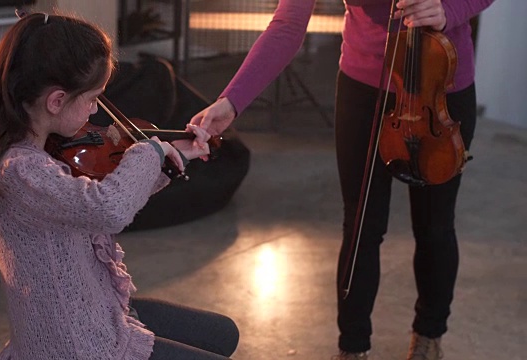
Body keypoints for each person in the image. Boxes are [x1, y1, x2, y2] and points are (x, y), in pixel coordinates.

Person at [189, 0, 495, 359]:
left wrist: (450, 10)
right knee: (361, 225)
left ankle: (429, 334)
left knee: (435, 224)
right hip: (365, 86)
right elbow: (288, 24)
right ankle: (352, 346)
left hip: (441, 83)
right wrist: (231, 102)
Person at [0, 12, 239, 360]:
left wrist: (173, 156)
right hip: (74, 346)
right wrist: (148, 151)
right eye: (91, 99)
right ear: (56, 101)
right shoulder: (18, 169)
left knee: (223, 334)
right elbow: (107, 208)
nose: (95, 109)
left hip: (94, 310)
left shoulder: (39, 146)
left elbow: (109, 192)